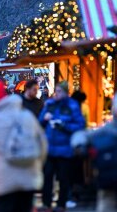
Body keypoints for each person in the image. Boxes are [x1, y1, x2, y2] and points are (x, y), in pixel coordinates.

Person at [0, 93, 48, 212]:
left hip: (1, 178)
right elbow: (42, 144)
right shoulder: (28, 117)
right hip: (28, 176)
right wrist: (38, 164)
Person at [38, 81, 86, 212]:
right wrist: (45, 118)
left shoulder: (72, 105)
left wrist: (64, 126)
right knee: (47, 177)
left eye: (59, 91)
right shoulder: (49, 104)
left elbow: (80, 124)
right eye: (56, 91)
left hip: (65, 149)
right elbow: (39, 121)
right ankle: (46, 203)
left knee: (63, 178)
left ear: (65, 92)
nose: (56, 94)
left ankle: (61, 204)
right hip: (49, 147)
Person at [71, 94, 117, 212]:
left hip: (108, 182)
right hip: (109, 182)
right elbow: (81, 136)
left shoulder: (107, 131)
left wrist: (79, 145)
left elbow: (81, 137)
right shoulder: (107, 131)